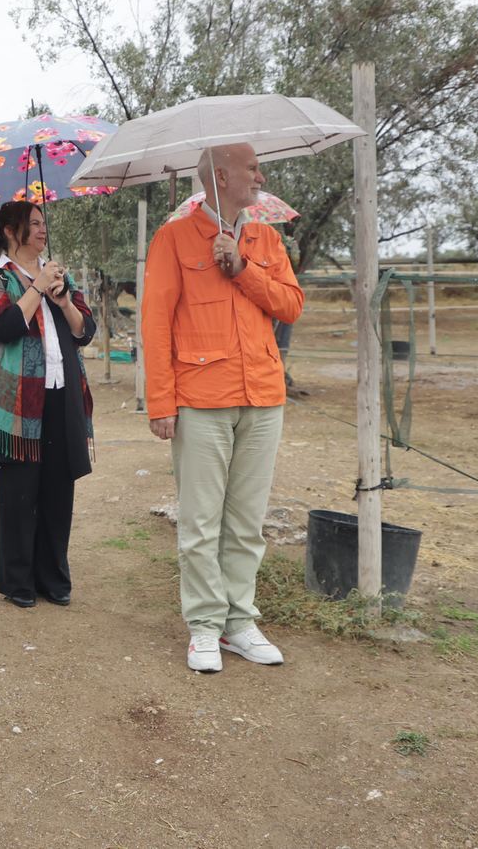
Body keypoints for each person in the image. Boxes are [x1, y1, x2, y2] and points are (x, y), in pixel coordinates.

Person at [141, 142, 304, 673]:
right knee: (201, 521)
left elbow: (291, 306)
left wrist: (243, 268)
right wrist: (161, 402)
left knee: (247, 521)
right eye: (251, 167)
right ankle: (205, 626)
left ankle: (240, 623)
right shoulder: (173, 239)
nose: (260, 175)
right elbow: (155, 324)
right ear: (220, 175)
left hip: (263, 395)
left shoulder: (266, 237)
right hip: (200, 399)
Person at [0, 202, 97, 608]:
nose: (43, 230)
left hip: (62, 394)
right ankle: (18, 582)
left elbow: (85, 331)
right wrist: (36, 287)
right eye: (34, 224)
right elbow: (0, 327)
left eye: (44, 223)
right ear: (12, 231)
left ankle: (54, 578)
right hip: (15, 401)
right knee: (20, 493)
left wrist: (63, 302)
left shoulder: (60, 275)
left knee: (58, 491)